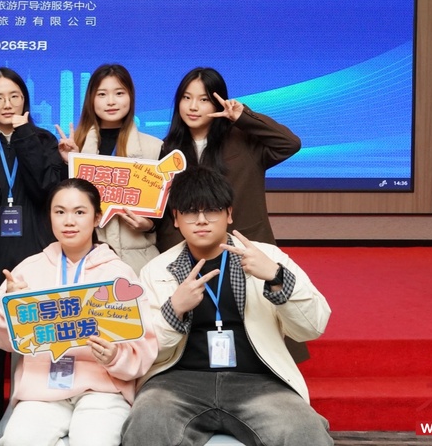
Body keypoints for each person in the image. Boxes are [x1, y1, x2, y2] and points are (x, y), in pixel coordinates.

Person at [121, 167, 332, 446]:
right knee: (147, 424)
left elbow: (313, 326)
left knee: (304, 431)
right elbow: (143, 349)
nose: (201, 220)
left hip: (257, 382)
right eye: (190, 212)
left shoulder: (267, 257)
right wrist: (175, 310)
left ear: (229, 214)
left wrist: (276, 277)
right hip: (177, 383)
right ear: (176, 219)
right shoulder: (157, 269)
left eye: (211, 211)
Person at [0, 179, 158, 446]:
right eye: (60, 212)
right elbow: (2, 339)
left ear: (97, 217)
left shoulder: (119, 274)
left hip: (102, 391)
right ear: (49, 217)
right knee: (19, 440)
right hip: (41, 390)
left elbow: (143, 346)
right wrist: (9, 305)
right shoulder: (28, 269)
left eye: (79, 212)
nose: (69, 221)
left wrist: (115, 356)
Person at [0, 67, 66, 415]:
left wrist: (24, 136)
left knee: (36, 335)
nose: (7, 104)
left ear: (25, 100)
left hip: (37, 254)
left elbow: (48, 191)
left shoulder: (44, 141)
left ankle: (31, 411)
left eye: (14, 96)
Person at [157, 67, 300, 250]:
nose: (193, 106)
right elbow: (166, 213)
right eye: (186, 97)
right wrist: (179, 252)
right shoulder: (167, 149)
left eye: (204, 99)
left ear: (219, 103)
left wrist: (243, 117)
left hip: (246, 247)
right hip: (190, 252)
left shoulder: (245, 141)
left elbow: (290, 144)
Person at [56, 64, 163, 273]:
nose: (111, 101)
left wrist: (150, 226)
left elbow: (166, 214)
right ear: (91, 99)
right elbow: (59, 207)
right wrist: (71, 162)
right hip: (84, 264)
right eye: (102, 94)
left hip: (139, 263)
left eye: (119, 93)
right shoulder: (73, 146)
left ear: (131, 96)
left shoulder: (155, 147)